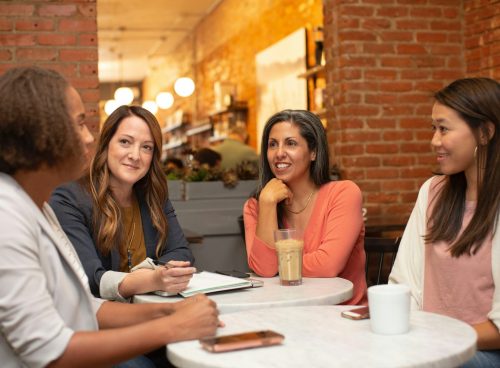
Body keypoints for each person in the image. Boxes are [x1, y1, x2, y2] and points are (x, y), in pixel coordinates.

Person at [0, 66, 220, 368]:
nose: (89, 138)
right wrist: (171, 326)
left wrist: (167, 313)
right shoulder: (7, 218)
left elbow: (88, 307)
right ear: (41, 134)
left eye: (146, 147)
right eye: (78, 125)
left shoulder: (39, 208)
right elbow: (49, 352)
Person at [389, 78, 500, 367]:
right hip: (430, 344)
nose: (434, 141)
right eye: (433, 128)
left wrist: (437, 340)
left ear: (485, 132)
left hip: (482, 352)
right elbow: (405, 283)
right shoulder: (432, 192)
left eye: (444, 129)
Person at [50, 105, 195, 302]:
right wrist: (152, 279)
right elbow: (89, 278)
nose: (135, 156)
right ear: (106, 144)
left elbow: (182, 254)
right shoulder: (69, 199)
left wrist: (151, 277)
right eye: (125, 142)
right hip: (99, 320)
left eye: (146, 147)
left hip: (152, 312)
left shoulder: (154, 196)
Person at [243, 109, 367, 305]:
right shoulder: (256, 206)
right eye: (272, 144)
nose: (279, 153)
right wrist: (267, 204)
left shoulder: (343, 193)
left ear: (313, 152)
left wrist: (279, 264)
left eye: (291, 143)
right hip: (288, 314)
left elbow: (328, 266)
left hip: (343, 317)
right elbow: (265, 270)